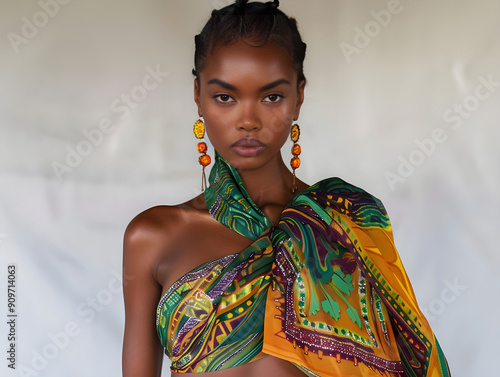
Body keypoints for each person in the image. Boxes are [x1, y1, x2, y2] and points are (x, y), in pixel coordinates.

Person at [122, 1, 450, 376]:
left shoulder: (345, 222)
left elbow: (402, 358)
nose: (248, 120)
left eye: (271, 97)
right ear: (198, 95)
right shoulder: (152, 237)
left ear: (300, 95)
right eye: (225, 97)